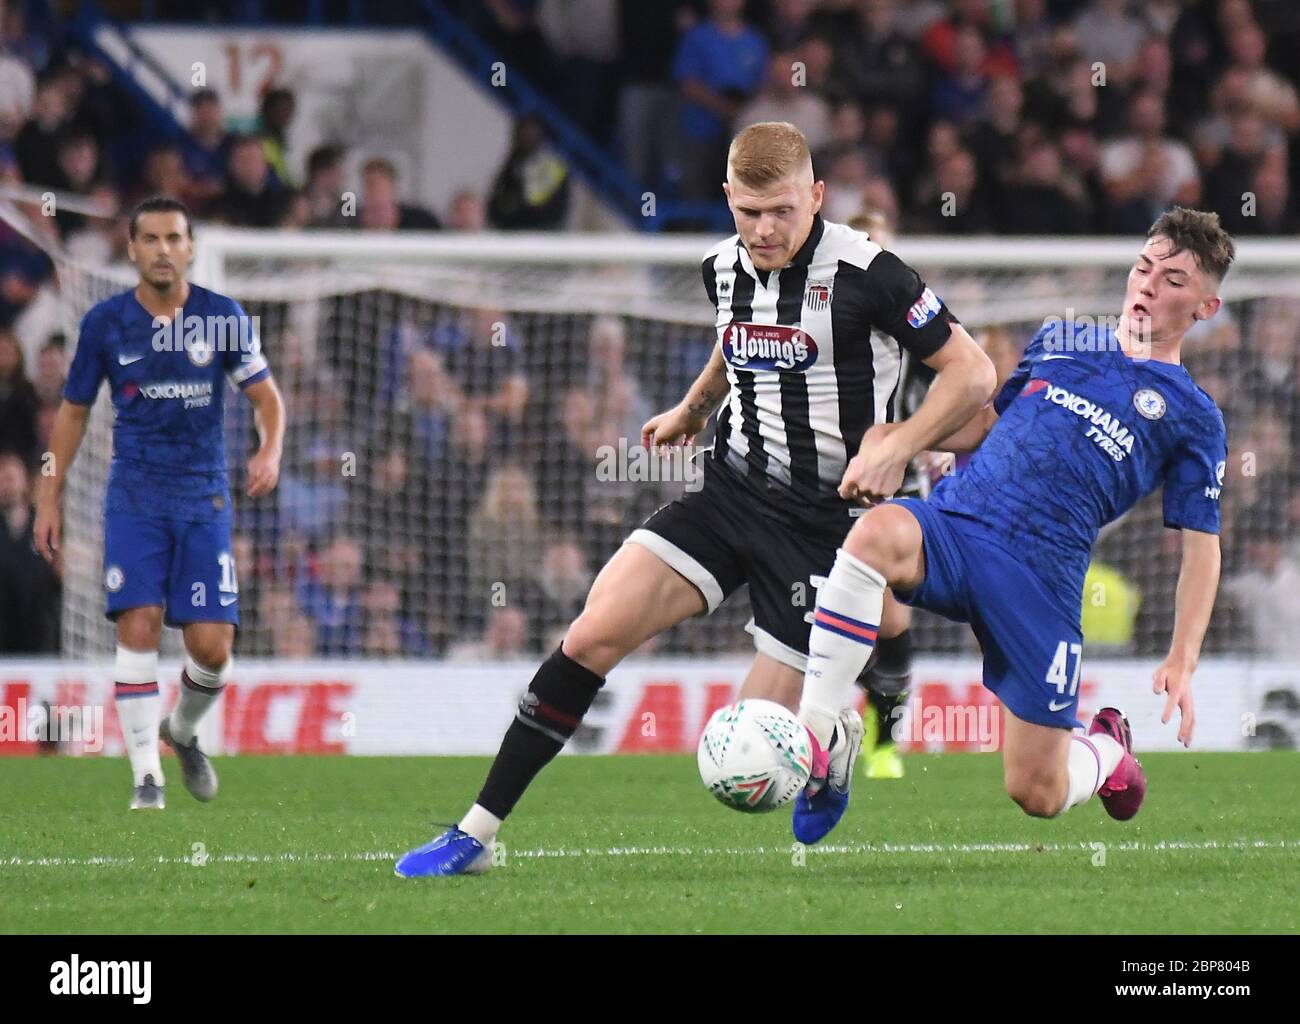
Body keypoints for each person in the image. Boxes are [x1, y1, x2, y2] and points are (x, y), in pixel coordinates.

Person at [394, 121, 995, 877]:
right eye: (749, 211)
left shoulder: (871, 273)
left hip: (825, 533)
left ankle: (834, 743)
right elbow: (732, 335)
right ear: (727, 201)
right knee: (590, 635)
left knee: (752, 759)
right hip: (730, 494)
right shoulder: (720, 267)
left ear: (815, 195)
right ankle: (476, 833)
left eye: (782, 210)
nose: (765, 229)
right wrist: (693, 407)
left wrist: (900, 444)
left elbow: (973, 374)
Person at [794, 207, 1231, 839]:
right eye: (1143, 268)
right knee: (873, 536)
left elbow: (1201, 546)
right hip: (960, 523)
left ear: (1205, 307)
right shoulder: (1061, 340)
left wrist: (1184, 656)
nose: (1147, 286)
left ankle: (1107, 750)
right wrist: (904, 439)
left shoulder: (1193, 416)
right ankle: (821, 743)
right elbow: (986, 422)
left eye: (1174, 282)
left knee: (1037, 792)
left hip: (1042, 580)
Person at [33, 197, 285, 810]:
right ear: (133, 249)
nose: (163, 249)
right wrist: (49, 496)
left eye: (174, 237)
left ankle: (184, 729)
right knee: (138, 624)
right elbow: (72, 412)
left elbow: (267, 398)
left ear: (191, 248)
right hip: (135, 500)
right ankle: (146, 772)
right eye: (149, 238)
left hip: (203, 501)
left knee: (212, 649)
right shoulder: (105, 324)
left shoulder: (222, 319)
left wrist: (270, 448)